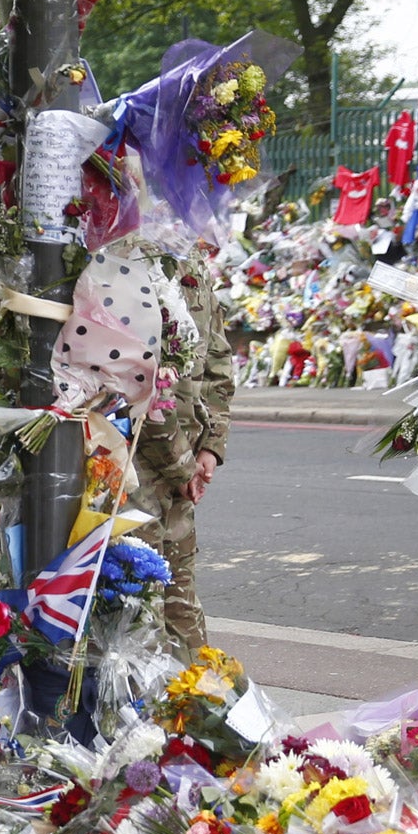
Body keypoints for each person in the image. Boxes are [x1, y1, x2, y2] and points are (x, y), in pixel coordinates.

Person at [130, 259, 234, 654]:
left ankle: (191, 704)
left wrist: (211, 446)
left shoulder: (193, 268)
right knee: (138, 610)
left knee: (180, 602)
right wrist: (183, 465)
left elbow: (217, 364)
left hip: (183, 467)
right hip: (135, 468)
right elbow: (135, 382)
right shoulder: (128, 263)